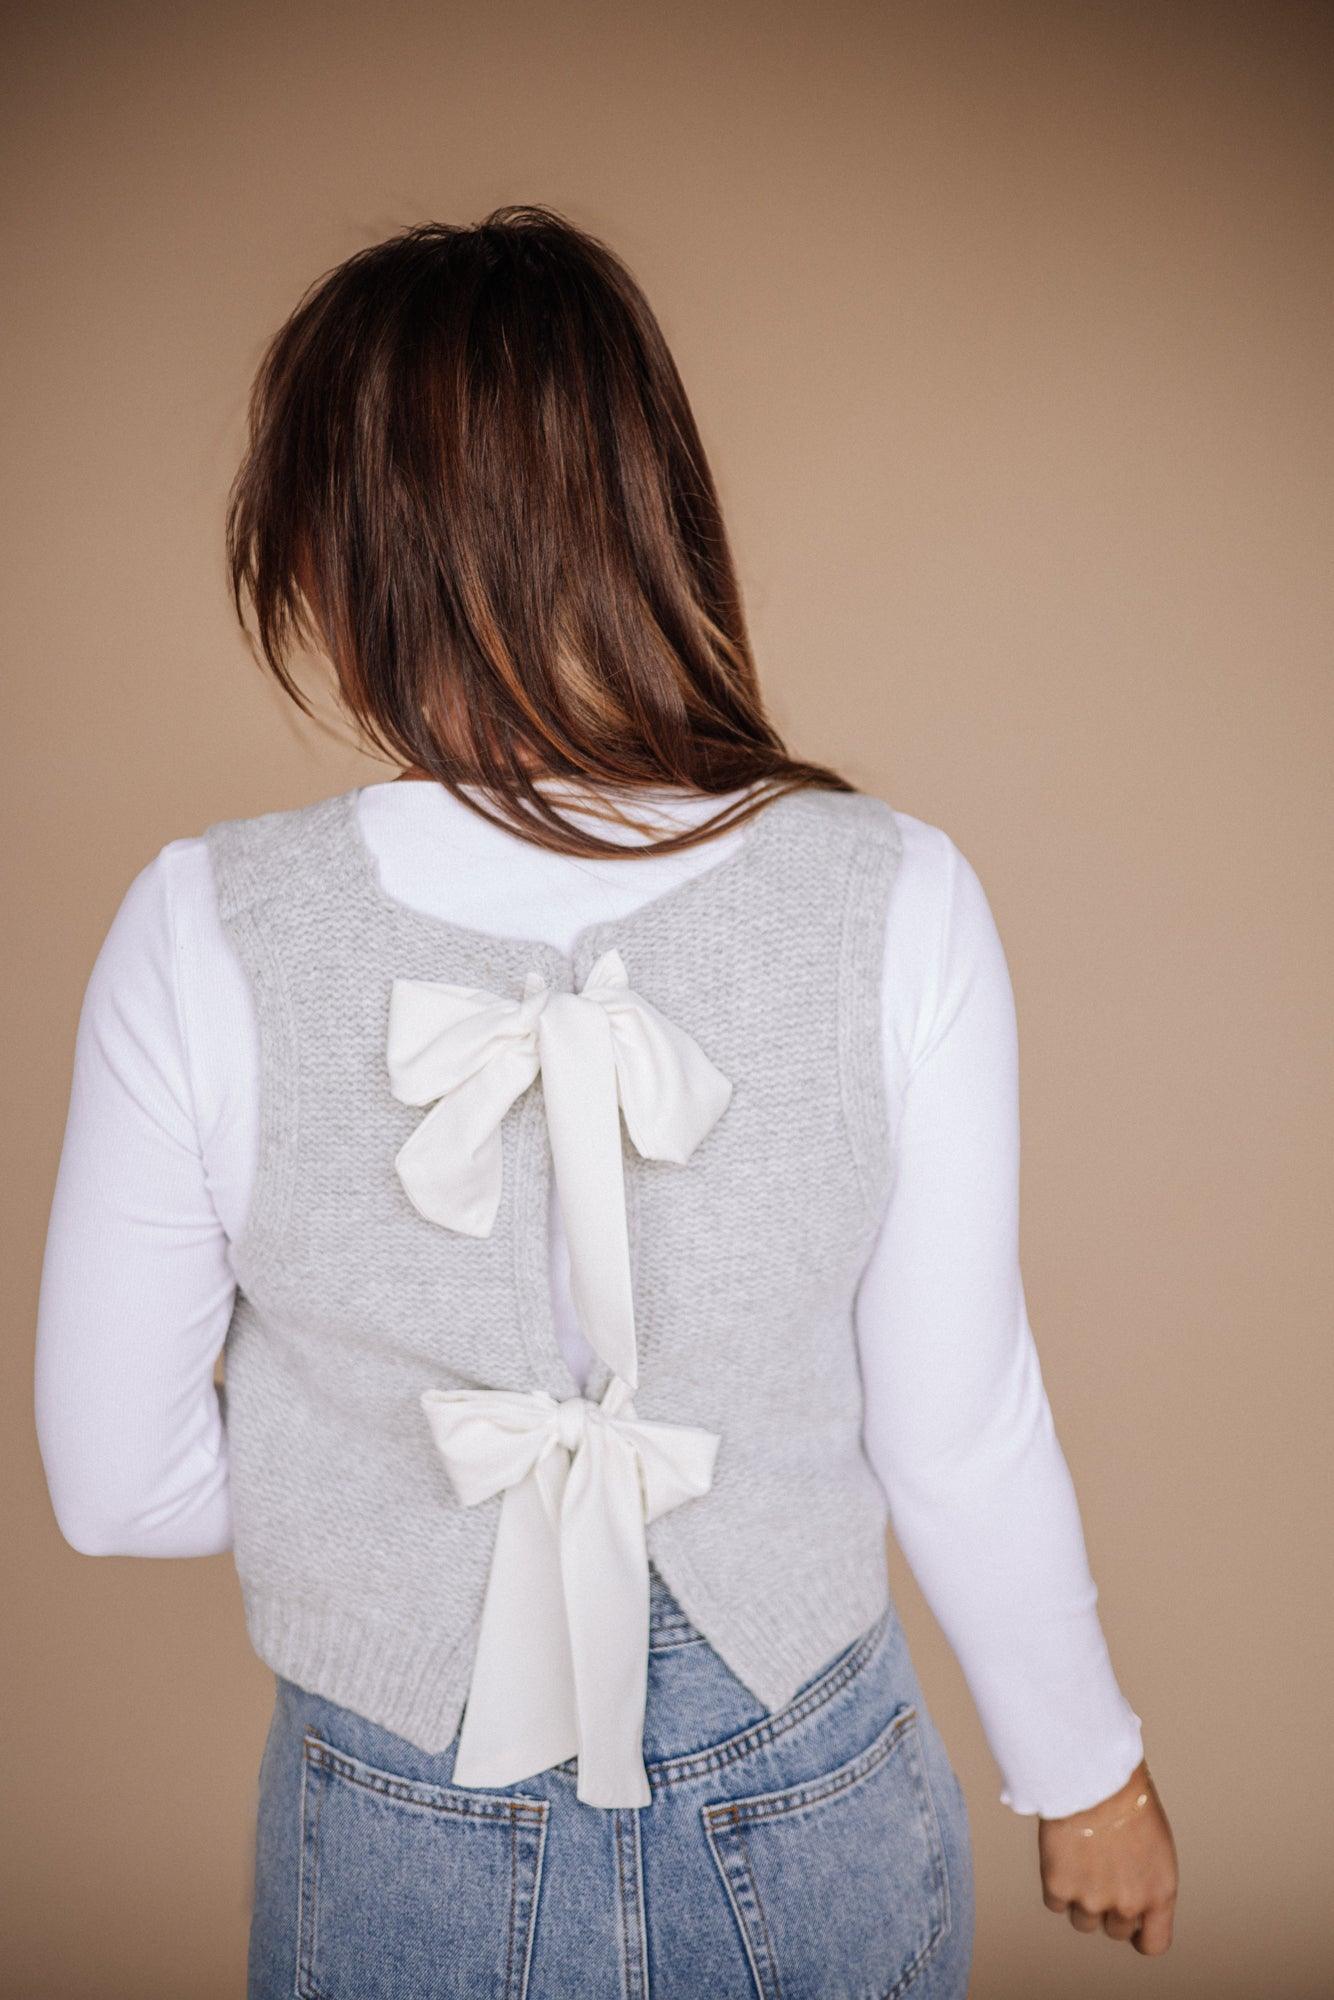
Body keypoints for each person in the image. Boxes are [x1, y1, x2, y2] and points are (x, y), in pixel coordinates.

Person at [33, 205, 1178, 1997]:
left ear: (333, 552)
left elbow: (114, 1487)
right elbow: (954, 1428)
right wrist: (1085, 1770)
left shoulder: (206, 923)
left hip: (389, 1824)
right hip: (811, 1795)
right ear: (653, 514)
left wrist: (364, 1480)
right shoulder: (893, 893)